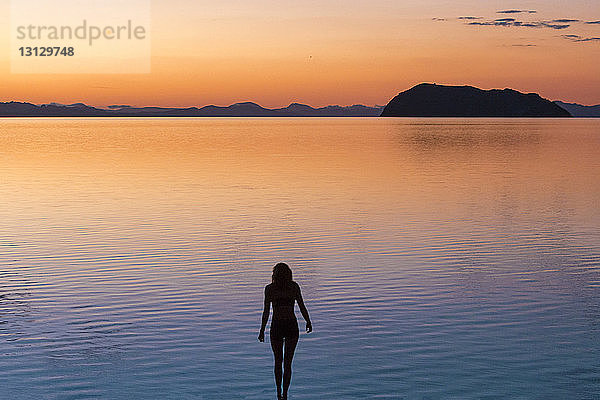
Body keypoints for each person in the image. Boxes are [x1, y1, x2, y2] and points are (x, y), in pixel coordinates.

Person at [259, 262, 312, 400]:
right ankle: (285, 394)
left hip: (277, 326)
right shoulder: (293, 287)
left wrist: (262, 329)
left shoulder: (270, 289)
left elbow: (266, 312)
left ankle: (279, 393)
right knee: (287, 363)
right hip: (290, 326)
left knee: (278, 361)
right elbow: (301, 306)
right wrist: (308, 321)